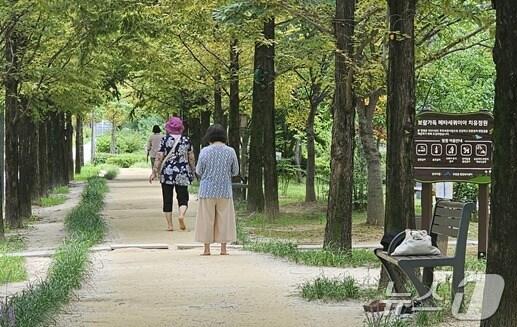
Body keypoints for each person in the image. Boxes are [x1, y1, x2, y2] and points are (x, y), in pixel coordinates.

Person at [194, 124, 239, 256]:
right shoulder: (230, 151)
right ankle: (223, 249)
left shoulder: (205, 151)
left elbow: (198, 170)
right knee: (224, 219)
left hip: (207, 190)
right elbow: (235, 171)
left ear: (209, 137)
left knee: (206, 219)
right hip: (225, 190)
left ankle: (206, 249)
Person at [149, 117, 195, 231]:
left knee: (167, 198)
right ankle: (181, 215)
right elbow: (191, 157)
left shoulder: (165, 140)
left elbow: (159, 157)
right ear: (181, 128)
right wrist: (193, 170)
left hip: (167, 172)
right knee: (183, 197)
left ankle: (170, 225)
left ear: (169, 128)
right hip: (182, 172)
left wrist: (154, 171)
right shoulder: (186, 140)